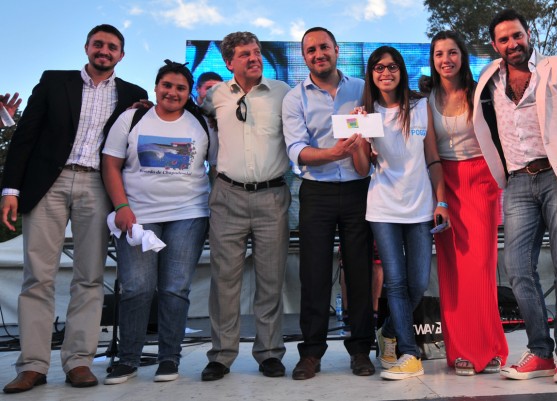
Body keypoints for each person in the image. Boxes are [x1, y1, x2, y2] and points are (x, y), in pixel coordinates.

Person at [1, 25, 147, 394]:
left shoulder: (134, 94)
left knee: (90, 276)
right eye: (98, 44)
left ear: (121, 55)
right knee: (38, 275)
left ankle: (79, 361)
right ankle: (32, 365)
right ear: (87, 48)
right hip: (48, 183)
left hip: (98, 187)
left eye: (112, 47)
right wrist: (11, 189)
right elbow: (25, 136)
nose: (104, 50)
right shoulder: (54, 81)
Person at [472, 9, 557, 384]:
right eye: (504, 39)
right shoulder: (488, 81)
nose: (512, 44)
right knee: (517, 269)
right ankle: (540, 350)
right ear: (494, 44)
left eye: (517, 35)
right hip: (517, 183)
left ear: (528, 33)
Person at [100, 60, 210, 384]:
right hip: (137, 217)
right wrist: (121, 205)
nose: (172, 92)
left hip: (188, 215)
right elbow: (110, 164)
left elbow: (217, 166)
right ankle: (128, 360)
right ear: (156, 86)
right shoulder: (132, 118)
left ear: (188, 93)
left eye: (180, 88)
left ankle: (169, 359)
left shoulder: (200, 123)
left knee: (175, 288)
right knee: (136, 287)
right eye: (167, 85)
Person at [282, 26, 375, 380]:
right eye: (311, 50)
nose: (318, 54)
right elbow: (296, 151)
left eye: (324, 47)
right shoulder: (294, 98)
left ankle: (362, 350)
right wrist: (333, 153)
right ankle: (311, 353)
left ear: (337, 50)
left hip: (358, 190)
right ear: (304, 57)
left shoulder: (361, 89)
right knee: (314, 274)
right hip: (316, 192)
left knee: (360, 274)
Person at [199, 31, 291, 381]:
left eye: (256, 52)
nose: (254, 57)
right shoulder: (215, 95)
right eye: (245, 54)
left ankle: (269, 353)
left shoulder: (282, 92)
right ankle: (221, 355)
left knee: (271, 280)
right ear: (228, 62)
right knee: (224, 280)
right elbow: (190, 119)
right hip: (227, 197)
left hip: (272, 196)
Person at [355, 46, 448, 380]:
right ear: (372, 74)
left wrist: (441, 201)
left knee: (418, 282)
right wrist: (359, 142)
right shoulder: (365, 114)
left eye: (392, 66)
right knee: (395, 281)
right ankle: (409, 353)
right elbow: (363, 167)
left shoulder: (421, 107)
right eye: (378, 68)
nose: (385, 72)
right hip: (382, 207)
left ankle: (389, 331)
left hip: (421, 207)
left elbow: (433, 159)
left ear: (401, 71)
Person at [428, 30, 509, 376]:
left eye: (452, 52)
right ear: (433, 61)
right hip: (444, 184)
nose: (445, 59)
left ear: (462, 56)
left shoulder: (482, 93)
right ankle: (460, 351)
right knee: (451, 270)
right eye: (438, 54)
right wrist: (439, 198)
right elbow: (428, 152)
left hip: (481, 181)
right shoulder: (424, 100)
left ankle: (489, 348)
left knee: (480, 267)